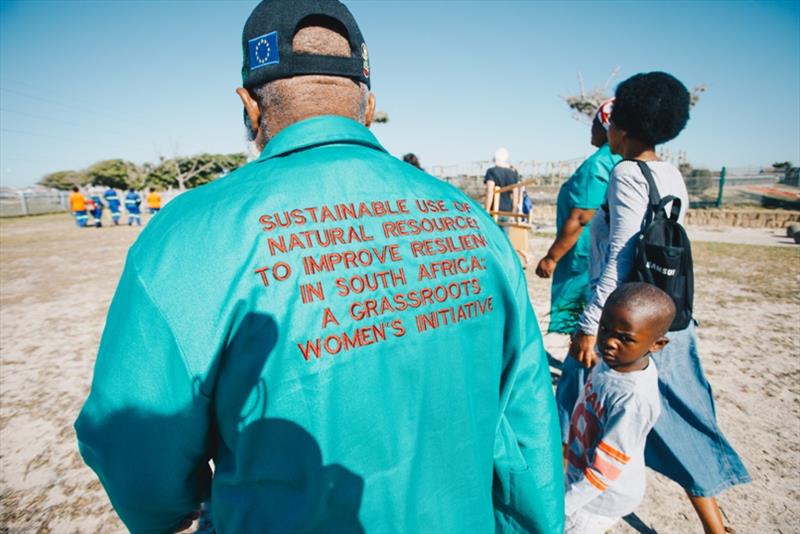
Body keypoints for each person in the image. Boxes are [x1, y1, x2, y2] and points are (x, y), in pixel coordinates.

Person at [74, 2, 564, 533]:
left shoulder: (184, 237)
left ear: (249, 106)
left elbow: (132, 440)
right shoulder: (472, 221)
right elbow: (527, 421)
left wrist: (171, 511)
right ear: (368, 105)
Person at [567, 72, 750, 533]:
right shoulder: (671, 173)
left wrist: (591, 324)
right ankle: (715, 524)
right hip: (664, 314)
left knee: (583, 408)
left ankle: (563, 502)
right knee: (681, 417)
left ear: (622, 128)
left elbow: (620, 257)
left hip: (625, 320)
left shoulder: (627, 173)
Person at [564, 282, 675, 534]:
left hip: (596, 500)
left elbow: (605, 470)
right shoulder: (616, 361)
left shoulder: (633, 399)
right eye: (604, 329)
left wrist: (564, 505)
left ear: (657, 344)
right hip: (581, 480)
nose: (610, 342)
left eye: (625, 338)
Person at [536, 99, 620, 336]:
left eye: (594, 122)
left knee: (582, 324)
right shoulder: (622, 159)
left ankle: (579, 372)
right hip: (607, 254)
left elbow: (581, 217)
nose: (591, 128)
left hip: (584, 256)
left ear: (605, 126)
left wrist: (551, 258)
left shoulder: (598, 164)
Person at [484, 147, 520, 216]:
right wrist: (514, 211)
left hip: (494, 210)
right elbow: (515, 194)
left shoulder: (491, 171)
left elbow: (489, 191)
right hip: (507, 211)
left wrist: (487, 210)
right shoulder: (513, 172)